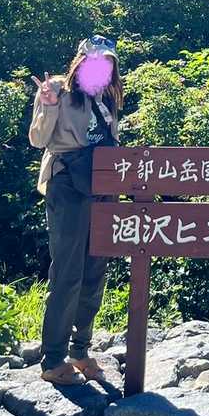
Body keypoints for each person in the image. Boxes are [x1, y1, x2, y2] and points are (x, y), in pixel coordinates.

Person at [28, 34, 123, 385]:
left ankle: (80, 350)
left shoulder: (106, 96)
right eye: (95, 61)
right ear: (81, 62)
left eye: (107, 62)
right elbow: (38, 140)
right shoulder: (57, 90)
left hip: (103, 183)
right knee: (68, 272)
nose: (101, 68)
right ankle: (53, 360)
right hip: (68, 183)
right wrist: (49, 105)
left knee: (96, 269)